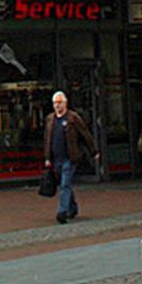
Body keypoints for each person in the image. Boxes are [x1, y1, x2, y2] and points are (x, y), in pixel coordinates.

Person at [43, 91, 97, 224]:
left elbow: (85, 135)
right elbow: (47, 139)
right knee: (64, 183)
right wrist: (47, 157)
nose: (57, 105)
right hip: (56, 158)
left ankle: (62, 211)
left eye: (59, 102)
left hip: (70, 157)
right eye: (55, 103)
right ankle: (72, 208)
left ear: (65, 103)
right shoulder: (50, 119)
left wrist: (93, 151)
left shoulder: (73, 118)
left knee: (65, 183)